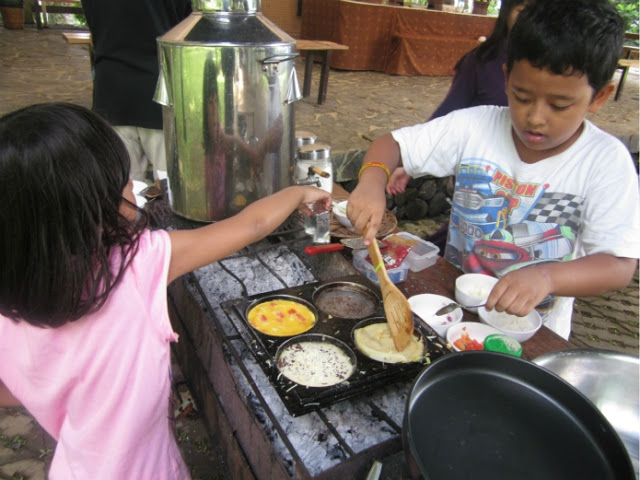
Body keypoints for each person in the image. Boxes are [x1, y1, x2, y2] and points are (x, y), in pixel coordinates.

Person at [0, 103, 330, 479]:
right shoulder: (137, 264)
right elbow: (251, 224)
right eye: (125, 183)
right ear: (88, 208)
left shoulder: (11, 296)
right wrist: (298, 191)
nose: (132, 190)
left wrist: (51, 386)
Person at [346, 0, 640, 340]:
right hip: (452, 312)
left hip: (534, 333)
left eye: (559, 105)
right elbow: (391, 144)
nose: (535, 117)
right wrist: (371, 181)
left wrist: (547, 278)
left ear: (599, 97)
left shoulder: (605, 161)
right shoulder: (475, 126)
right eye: (522, 95)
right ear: (506, 77)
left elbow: (618, 266)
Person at [386, 0, 530, 195]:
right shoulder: (482, 62)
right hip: (481, 181)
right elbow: (449, 112)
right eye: (524, 11)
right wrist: (413, 159)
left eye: (559, 104)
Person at [81, 0, 192, 184]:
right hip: (161, 90)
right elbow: (189, 33)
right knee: (174, 190)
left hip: (110, 91)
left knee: (124, 190)